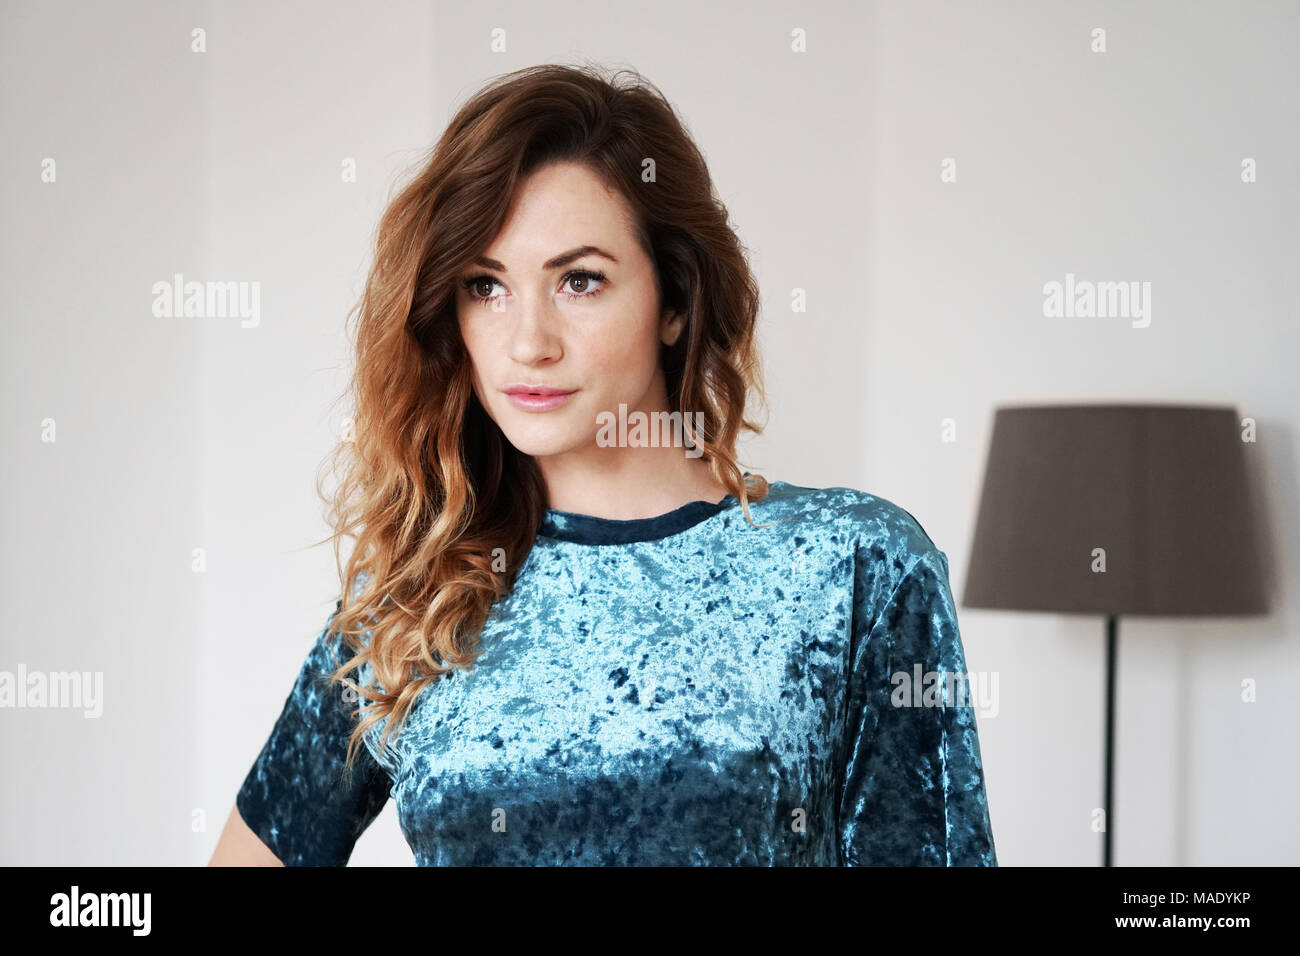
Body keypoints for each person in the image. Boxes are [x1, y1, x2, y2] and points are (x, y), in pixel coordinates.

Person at [208, 62, 997, 867]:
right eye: (486, 286)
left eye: (579, 280)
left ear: (676, 301)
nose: (528, 343)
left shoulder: (854, 566)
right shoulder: (415, 596)